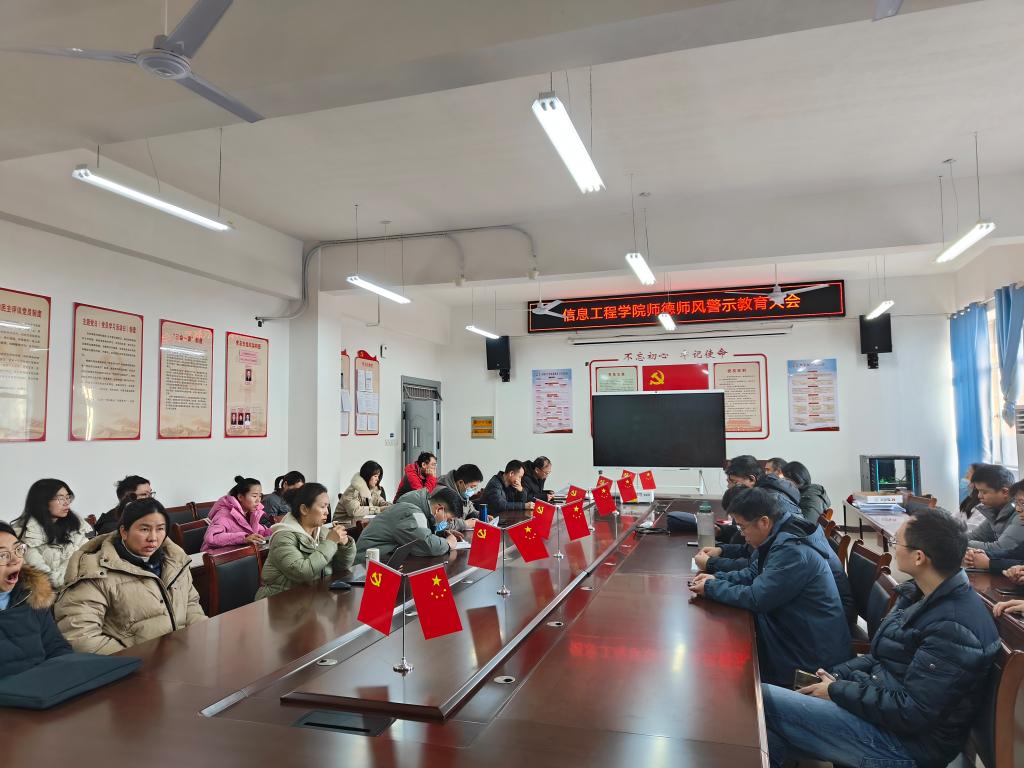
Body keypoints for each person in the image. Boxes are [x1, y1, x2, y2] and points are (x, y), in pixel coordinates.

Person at [762, 508, 1000, 768]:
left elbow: (912, 712)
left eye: (898, 542)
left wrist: (835, 691)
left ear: (919, 557)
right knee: (766, 723)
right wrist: (836, 676)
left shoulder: (954, 626)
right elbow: (880, 657)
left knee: (760, 701)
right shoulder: (919, 593)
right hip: (883, 716)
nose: (894, 548)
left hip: (906, 746)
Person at [690, 488, 852, 686]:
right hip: (795, 634)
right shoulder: (779, 535)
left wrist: (712, 587)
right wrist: (716, 578)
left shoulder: (792, 550)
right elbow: (753, 573)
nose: (742, 534)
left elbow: (757, 598)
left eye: (743, 527)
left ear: (764, 522)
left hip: (811, 657)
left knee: (732, 675)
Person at [55, 499, 206, 654]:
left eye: (160, 529)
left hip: (182, 655)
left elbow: (191, 605)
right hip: (136, 664)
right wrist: (134, 662)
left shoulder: (175, 561)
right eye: (144, 529)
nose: (153, 538)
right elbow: (81, 638)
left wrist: (202, 640)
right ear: (124, 532)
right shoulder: (93, 572)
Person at [256, 483, 356, 599]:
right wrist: (330, 543)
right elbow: (302, 572)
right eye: (323, 507)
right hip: (280, 601)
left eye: (327, 507)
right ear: (304, 509)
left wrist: (345, 546)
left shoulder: (323, 532)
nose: (327, 512)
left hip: (311, 598)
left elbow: (340, 568)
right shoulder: (283, 537)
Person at [0, 521, 73, 678]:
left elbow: (57, 648)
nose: (15, 560)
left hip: (43, 686)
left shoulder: (32, 595)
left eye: (18, 549)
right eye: (2, 555)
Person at [12, 479, 92, 589]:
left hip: (80, 589)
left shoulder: (77, 527)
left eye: (68, 497)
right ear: (43, 501)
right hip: (44, 594)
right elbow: (48, 579)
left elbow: (90, 561)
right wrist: (75, 562)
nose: (66, 502)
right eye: (60, 498)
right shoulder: (23, 535)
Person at [355, 486, 462, 563]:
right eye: (448, 520)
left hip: (381, 561)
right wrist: (448, 543)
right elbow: (427, 545)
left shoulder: (417, 508)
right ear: (439, 509)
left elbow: (419, 533)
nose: (448, 523)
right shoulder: (412, 513)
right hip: (364, 567)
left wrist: (442, 533)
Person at [964, 479, 1024, 574]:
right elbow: (1014, 553)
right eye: (1017, 503)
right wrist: (981, 554)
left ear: (1005, 492)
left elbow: (1004, 549)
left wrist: (989, 563)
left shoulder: (1018, 518)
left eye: (1023, 503)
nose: (1018, 509)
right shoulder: (994, 513)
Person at [201, 475, 272, 552]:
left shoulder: (250, 513)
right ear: (240, 497)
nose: (258, 500)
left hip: (239, 554)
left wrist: (274, 530)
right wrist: (244, 538)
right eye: (254, 496)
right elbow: (212, 537)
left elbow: (257, 533)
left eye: (260, 496)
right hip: (215, 556)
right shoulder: (224, 514)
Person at [725, 455, 802, 519]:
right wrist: (723, 530)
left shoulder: (768, 500)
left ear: (752, 479)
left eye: (735, 482)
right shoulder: (761, 493)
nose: (729, 487)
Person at [966, 464, 1020, 553]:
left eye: (984, 492)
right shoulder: (995, 511)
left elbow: (1000, 549)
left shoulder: (1020, 514)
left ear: (1005, 492)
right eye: (978, 491)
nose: (979, 496)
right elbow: (975, 536)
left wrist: (961, 543)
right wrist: (952, 540)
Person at [335, 461, 390, 526]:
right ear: (367, 476)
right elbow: (355, 511)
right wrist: (379, 509)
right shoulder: (353, 490)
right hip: (341, 526)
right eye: (375, 476)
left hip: (357, 525)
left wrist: (390, 506)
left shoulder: (371, 489)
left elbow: (379, 501)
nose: (377, 479)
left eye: (378, 476)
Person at [955, 462, 985, 533]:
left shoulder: (982, 506)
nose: (964, 478)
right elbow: (954, 518)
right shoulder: (968, 500)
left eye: (968, 475)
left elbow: (971, 530)